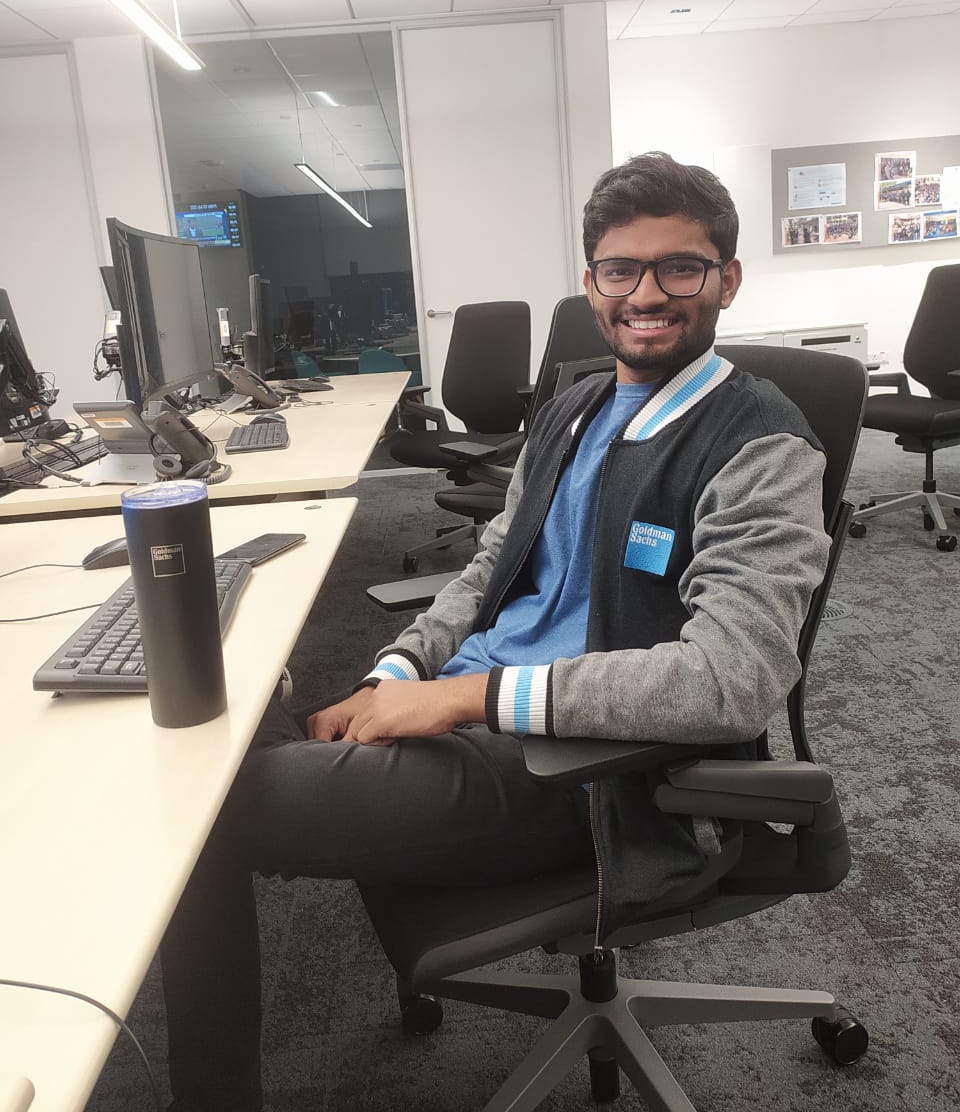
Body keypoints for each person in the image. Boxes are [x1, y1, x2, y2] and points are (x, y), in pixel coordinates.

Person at [161, 151, 830, 1111]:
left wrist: (465, 698)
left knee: (203, 813)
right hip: (473, 713)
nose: (646, 294)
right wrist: (399, 672)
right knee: (220, 722)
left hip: (585, 772)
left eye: (679, 268)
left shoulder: (758, 444)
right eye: (620, 270)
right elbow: (488, 572)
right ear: (591, 283)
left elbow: (733, 680)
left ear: (726, 278)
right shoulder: (573, 409)